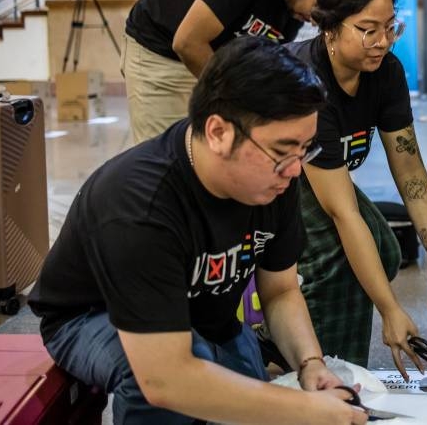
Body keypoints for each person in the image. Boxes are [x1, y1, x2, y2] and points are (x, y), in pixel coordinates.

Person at [29, 38, 367, 425]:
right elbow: (164, 380)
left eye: (305, 149)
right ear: (219, 132)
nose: (295, 169)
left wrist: (311, 365)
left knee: (243, 403)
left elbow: (281, 290)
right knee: (172, 387)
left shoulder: (275, 181)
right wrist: (305, 410)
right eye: (284, 151)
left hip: (204, 315)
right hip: (91, 315)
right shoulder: (139, 205)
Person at [286, 0, 427, 379]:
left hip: (313, 172)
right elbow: (343, 214)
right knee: (334, 257)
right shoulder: (308, 85)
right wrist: (390, 311)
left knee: (383, 249)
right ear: (329, 28)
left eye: (390, 27)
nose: (383, 42)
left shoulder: (386, 72)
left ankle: (328, 362)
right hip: (264, 175)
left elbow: (410, 168)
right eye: (368, 29)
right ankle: (326, 373)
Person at [123, 0, 345, 144]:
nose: (315, 20)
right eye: (318, 8)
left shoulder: (291, 16)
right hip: (158, 51)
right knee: (164, 152)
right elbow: (188, 43)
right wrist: (232, 98)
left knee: (206, 150)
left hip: (207, 62)